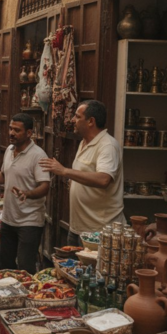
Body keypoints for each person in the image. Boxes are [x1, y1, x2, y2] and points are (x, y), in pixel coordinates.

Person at [0, 113, 50, 274]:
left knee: (25, 266)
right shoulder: (9, 150)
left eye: (17, 130)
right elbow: (3, 175)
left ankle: (28, 297)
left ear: (29, 133)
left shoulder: (38, 155)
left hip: (29, 221)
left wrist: (28, 194)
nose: (11, 133)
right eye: (10, 129)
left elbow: (45, 186)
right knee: (5, 263)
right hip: (8, 219)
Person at [39, 100, 125, 246]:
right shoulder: (84, 142)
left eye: (77, 117)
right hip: (78, 228)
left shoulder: (107, 146)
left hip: (99, 231)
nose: (73, 120)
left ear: (91, 121)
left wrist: (65, 171)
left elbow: (104, 179)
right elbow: (85, 174)